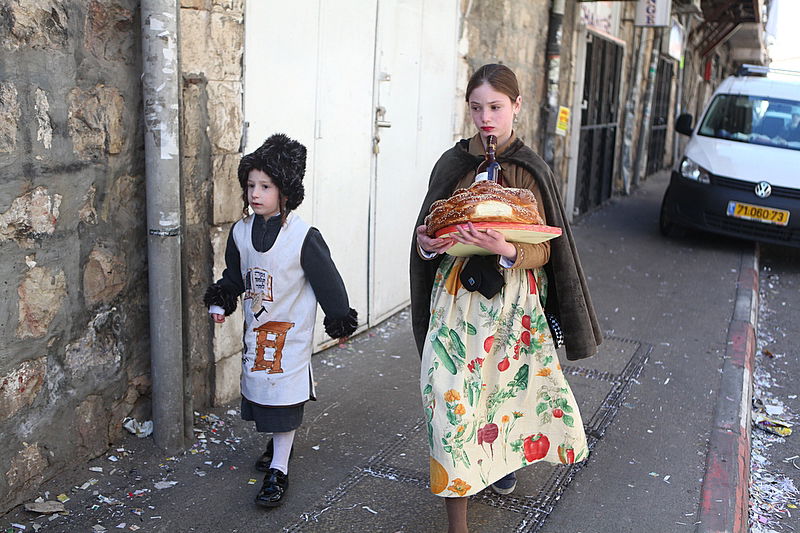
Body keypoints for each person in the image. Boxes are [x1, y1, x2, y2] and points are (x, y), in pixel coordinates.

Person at [410, 64, 603, 533]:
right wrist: (427, 244)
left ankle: (499, 460)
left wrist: (507, 248)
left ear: (516, 106)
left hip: (514, 306)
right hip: (456, 302)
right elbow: (429, 234)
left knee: (503, 398)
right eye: (476, 108)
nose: (485, 118)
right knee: (449, 401)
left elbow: (546, 251)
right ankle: (458, 521)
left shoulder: (531, 168)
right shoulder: (452, 164)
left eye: (495, 107)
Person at [204, 133, 358, 508]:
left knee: (284, 397)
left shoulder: (303, 237)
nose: (255, 194)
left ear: (285, 191)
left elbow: (328, 282)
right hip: (258, 332)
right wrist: (222, 299)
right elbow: (235, 275)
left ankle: (279, 469)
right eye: (250, 186)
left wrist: (339, 319)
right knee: (262, 391)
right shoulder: (241, 232)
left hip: (290, 335)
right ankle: (277, 445)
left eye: (265, 186)